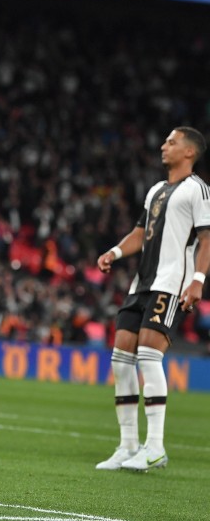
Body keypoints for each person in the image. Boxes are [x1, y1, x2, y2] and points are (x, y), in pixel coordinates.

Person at [95, 126, 210, 471]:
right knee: (120, 359)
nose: (164, 145)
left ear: (189, 152)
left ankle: (155, 446)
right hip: (141, 284)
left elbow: (207, 239)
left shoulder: (199, 191)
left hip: (171, 284)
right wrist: (115, 252)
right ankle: (128, 445)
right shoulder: (157, 190)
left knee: (147, 356)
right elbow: (139, 234)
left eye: (171, 142)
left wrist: (198, 281)